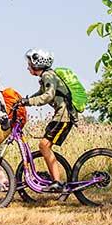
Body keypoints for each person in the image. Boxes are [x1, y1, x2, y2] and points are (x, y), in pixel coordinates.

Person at [17, 48, 76, 192]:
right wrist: (23, 101)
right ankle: (55, 180)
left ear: (37, 63)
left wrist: (28, 102)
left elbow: (48, 96)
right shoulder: (46, 76)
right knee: (44, 146)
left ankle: (56, 181)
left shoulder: (48, 76)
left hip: (64, 117)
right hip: (60, 116)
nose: (28, 66)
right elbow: (39, 94)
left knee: (44, 145)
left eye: (29, 62)